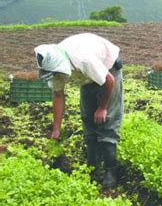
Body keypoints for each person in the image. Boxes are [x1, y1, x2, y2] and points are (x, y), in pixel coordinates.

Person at [34, 33, 123, 189]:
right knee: (88, 119)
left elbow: (109, 81)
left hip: (108, 71)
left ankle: (111, 170)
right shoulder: (52, 66)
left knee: (107, 120)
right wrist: (56, 128)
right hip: (86, 78)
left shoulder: (83, 59)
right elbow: (58, 95)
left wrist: (102, 108)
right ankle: (93, 169)